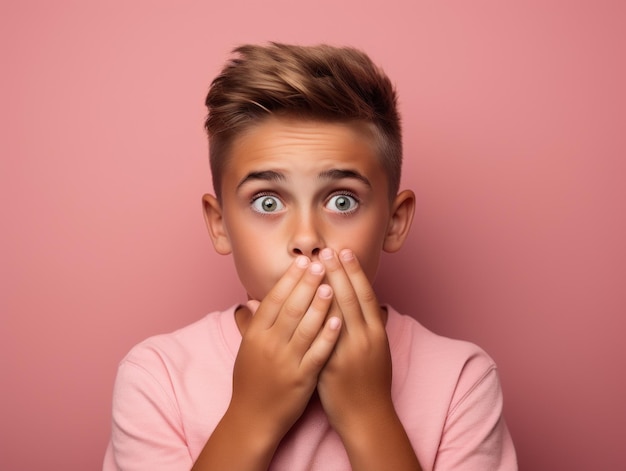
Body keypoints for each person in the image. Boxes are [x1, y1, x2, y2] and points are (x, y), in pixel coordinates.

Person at [103, 42, 517, 470]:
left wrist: (367, 415)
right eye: (267, 202)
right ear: (219, 223)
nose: (306, 237)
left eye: (341, 201)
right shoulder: (158, 378)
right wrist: (252, 417)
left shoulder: (461, 382)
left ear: (394, 221)